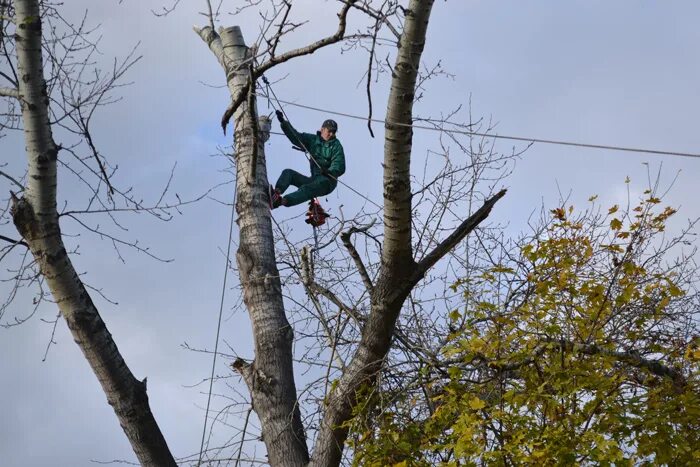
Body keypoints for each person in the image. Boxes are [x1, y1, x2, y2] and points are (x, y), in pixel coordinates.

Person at [269, 110, 345, 209]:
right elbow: (297, 137)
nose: (331, 134)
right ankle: (276, 193)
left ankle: (281, 202)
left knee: (307, 189)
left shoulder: (336, 145)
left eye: (333, 132)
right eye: (329, 131)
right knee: (288, 173)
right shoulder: (313, 140)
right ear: (322, 129)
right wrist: (283, 123)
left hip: (327, 181)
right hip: (314, 179)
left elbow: (339, 165)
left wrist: (329, 171)